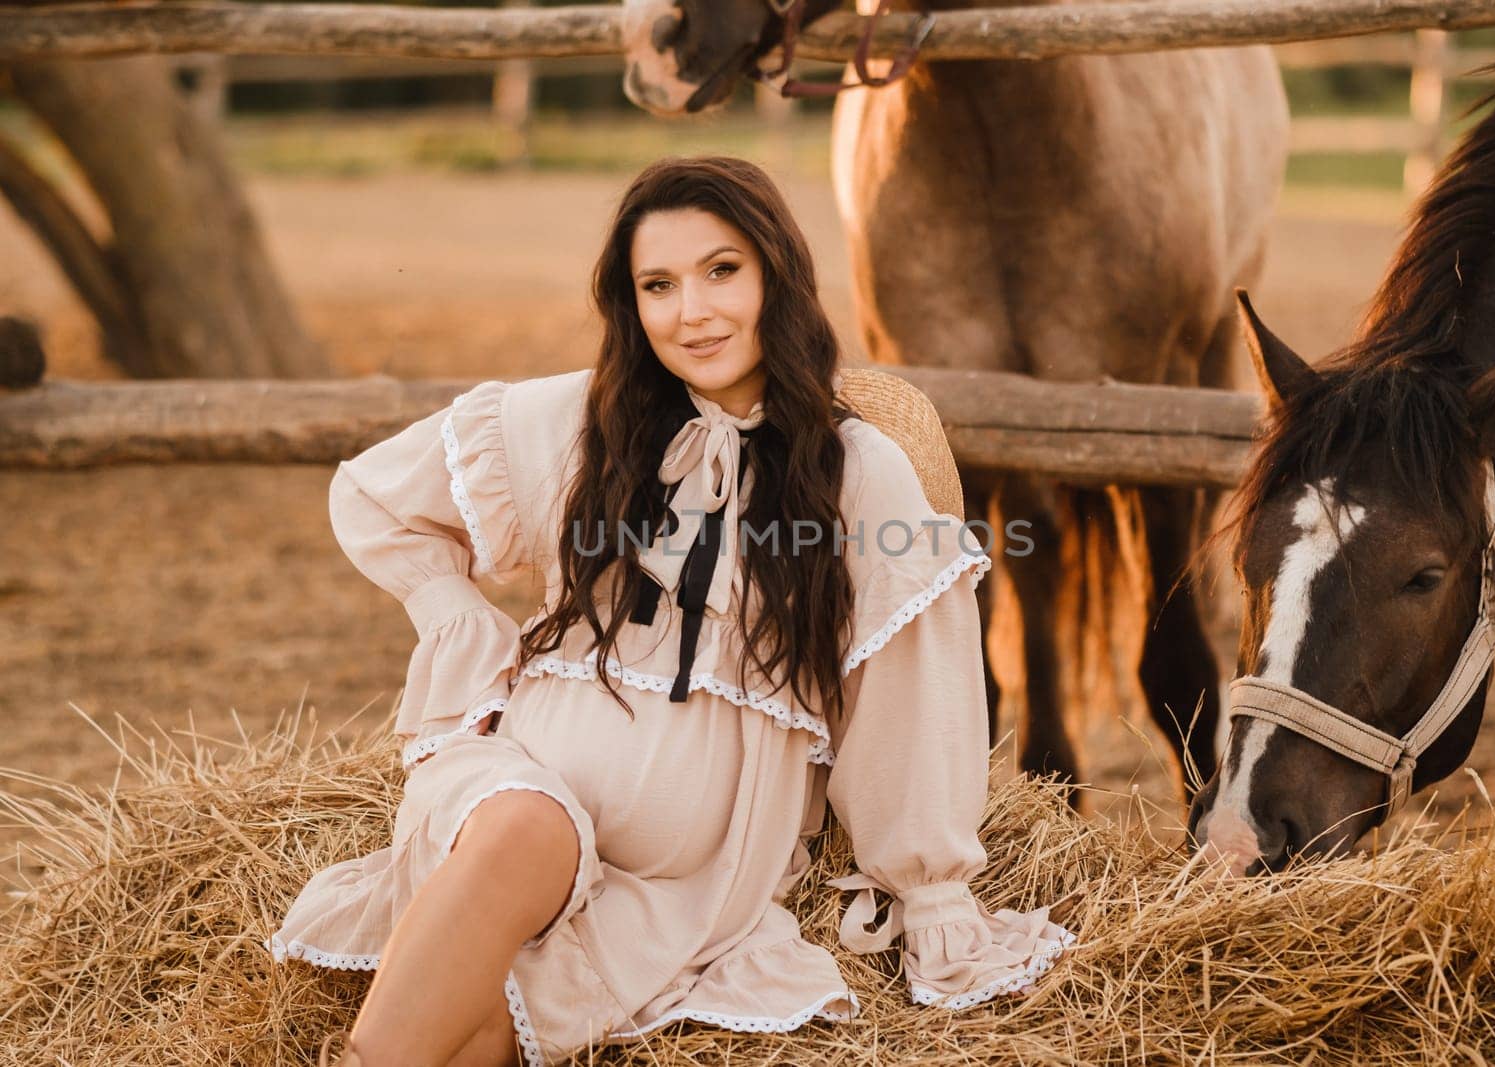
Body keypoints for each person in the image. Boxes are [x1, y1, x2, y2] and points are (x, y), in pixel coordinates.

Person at [267, 155, 1071, 1067]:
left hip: (696, 880)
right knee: (524, 830)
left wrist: (930, 895)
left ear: (777, 274)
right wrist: (456, 613)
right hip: (525, 790)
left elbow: (908, 695)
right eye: (659, 285)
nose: (692, 312)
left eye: (721, 271)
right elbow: (373, 496)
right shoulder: (583, 421)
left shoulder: (859, 471)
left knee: (472, 1038)